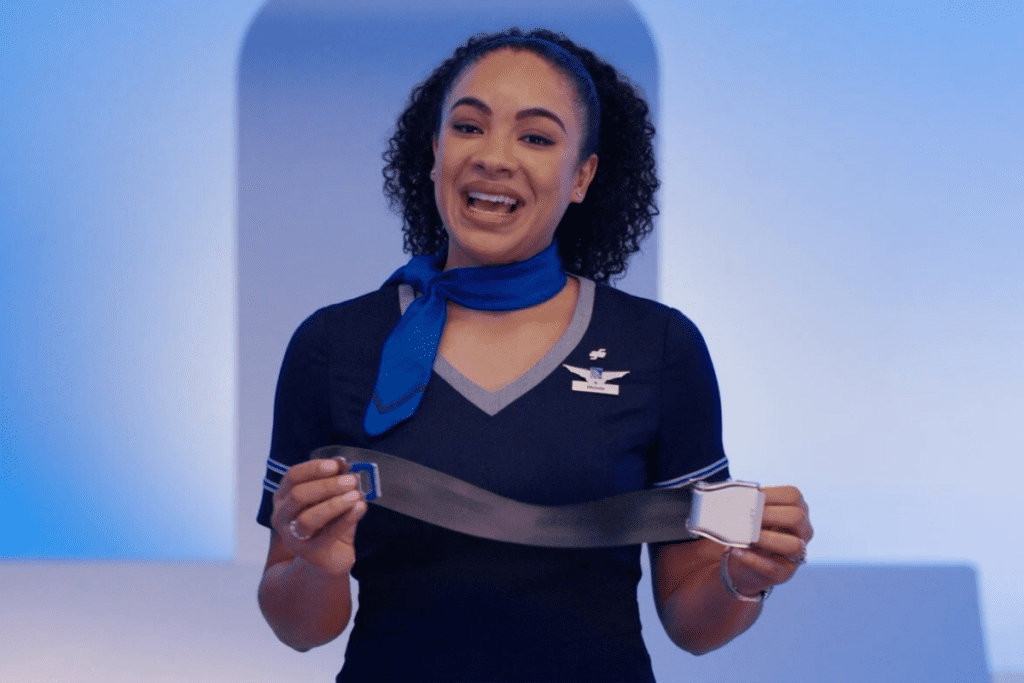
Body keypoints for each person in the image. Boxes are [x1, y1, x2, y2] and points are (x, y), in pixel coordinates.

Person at [256, 27, 813, 683]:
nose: (494, 157)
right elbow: (299, 629)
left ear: (582, 176)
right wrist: (315, 563)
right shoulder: (333, 344)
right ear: (434, 152)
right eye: (468, 127)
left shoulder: (659, 346)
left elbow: (693, 626)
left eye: (537, 138)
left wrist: (742, 578)